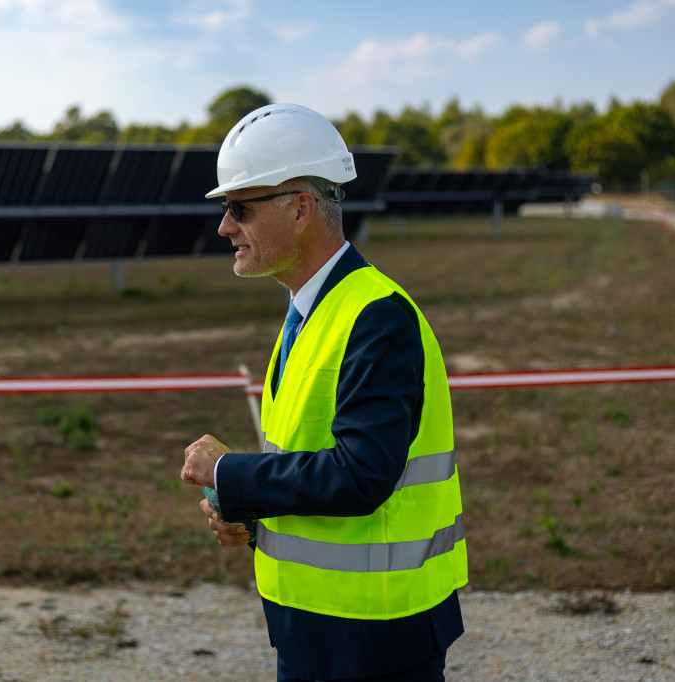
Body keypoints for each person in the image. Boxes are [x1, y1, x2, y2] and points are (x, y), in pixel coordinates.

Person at [181, 103, 468, 682]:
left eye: (239, 208)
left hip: (375, 636)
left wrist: (231, 474)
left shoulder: (375, 317)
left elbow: (362, 475)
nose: (224, 226)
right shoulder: (312, 313)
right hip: (320, 630)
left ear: (301, 209)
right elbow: (310, 465)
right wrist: (250, 513)